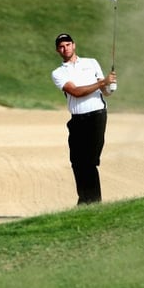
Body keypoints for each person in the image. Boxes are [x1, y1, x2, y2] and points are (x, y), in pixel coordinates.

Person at [50, 33, 117, 205]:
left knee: (88, 161)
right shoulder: (58, 73)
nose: (65, 48)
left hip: (97, 116)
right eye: (61, 46)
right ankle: (86, 200)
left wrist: (110, 84)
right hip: (77, 119)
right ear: (58, 50)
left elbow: (106, 93)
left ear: (74, 45)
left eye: (67, 44)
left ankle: (92, 202)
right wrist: (102, 83)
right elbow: (76, 92)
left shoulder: (91, 63)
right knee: (77, 161)